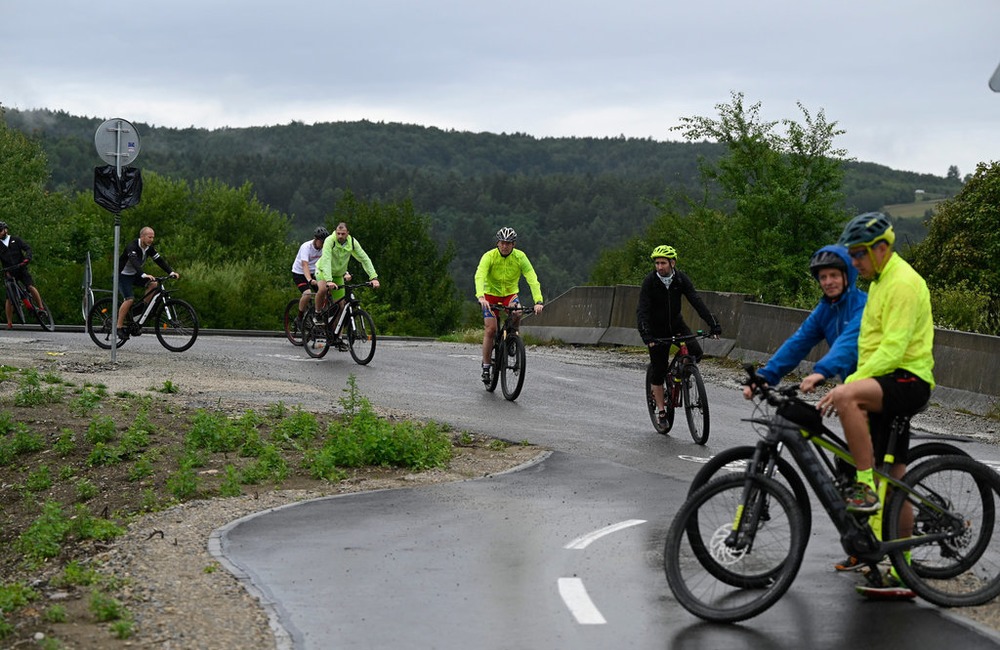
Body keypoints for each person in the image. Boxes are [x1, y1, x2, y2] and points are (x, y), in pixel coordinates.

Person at [816, 212, 935, 593]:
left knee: (849, 397)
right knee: (898, 481)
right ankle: (904, 572)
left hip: (909, 378)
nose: (854, 262)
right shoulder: (880, 280)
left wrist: (849, 386)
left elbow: (894, 349)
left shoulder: (901, 283)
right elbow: (868, 347)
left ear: (882, 248)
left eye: (860, 254)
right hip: (889, 380)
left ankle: (863, 485)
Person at [743, 245, 867, 398]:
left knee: (843, 406)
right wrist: (765, 376)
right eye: (823, 277)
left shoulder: (863, 306)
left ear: (847, 275)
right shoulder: (825, 310)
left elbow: (848, 345)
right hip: (853, 382)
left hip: (882, 381)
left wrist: (821, 371)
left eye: (834, 275)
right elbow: (798, 343)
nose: (828, 282)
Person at [637, 245, 721, 425]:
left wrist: (713, 324)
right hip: (656, 330)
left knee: (695, 353)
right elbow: (642, 310)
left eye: (663, 263)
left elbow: (696, 301)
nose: (659, 267)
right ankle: (661, 412)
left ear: (672, 263)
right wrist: (647, 336)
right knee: (658, 372)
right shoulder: (650, 282)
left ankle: (681, 373)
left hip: (677, 325)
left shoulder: (681, 280)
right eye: (657, 263)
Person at [474, 227, 544, 384]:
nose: (505, 246)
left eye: (508, 243)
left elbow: (532, 277)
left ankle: (513, 336)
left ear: (514, 245)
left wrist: (538, 301)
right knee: (491, 330)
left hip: (509, 295)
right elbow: (480, 275)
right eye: (502, 243)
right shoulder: (489, 256)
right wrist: (481, 297)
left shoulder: (520, 257)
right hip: (489, 295)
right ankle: (486, 366)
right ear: (497, 243)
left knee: (517, 313)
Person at [117, 226, 180, 341]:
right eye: (149, 237)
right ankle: (119, 327)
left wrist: (171, 272)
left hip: (135, 274)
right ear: (142, 236)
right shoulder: (132, 246)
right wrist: (143, 274)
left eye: (153, 237)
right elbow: (134, 262)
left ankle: (140, 310)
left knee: (154, 284)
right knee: (129, 299)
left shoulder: (149, 248)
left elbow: (159, 260)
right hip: (122, 275)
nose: (151, 239)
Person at [315, 222, 380, 325]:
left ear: (348, 233)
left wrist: (373, 277)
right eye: (338, 233)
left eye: (343, 234)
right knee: (323, 289)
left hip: (338, 275)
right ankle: (317, 313)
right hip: (323, 272)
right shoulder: (330, 241)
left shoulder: (352, 242)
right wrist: (329, 280)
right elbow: (327, 260)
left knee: (340, 307)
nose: (340, 236)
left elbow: (364, 259)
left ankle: (337, 337)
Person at [0, 221, 45, 329]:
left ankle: (41, 308)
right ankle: (9, 323)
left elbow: (27, 248)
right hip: (9, 271)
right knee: (9, 298)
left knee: (30, 286)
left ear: (6, 230)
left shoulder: (16, 240)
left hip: (21, 268)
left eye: (0, 231)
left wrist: (27, 258)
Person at [291, 226, 329, 327]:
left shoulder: (325, 247)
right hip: (300, 273)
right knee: (307, 293)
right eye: (321, 242)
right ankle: (299, 318)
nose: (323, 245)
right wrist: (309, 280)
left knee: (323, 291)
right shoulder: (306, 247)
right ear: (316, 239)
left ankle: (317, 313)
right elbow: (305, 265)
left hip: (315, 271)